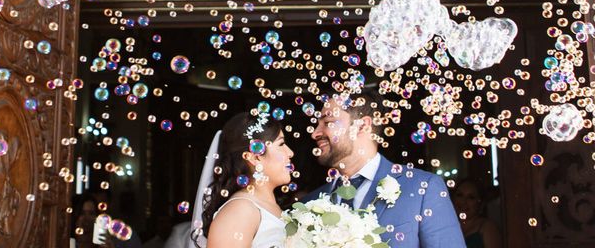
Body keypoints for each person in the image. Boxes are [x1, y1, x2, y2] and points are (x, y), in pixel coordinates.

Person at [303, 92, 466, 248]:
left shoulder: (423, 189)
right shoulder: (309, 204)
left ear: (362, 126)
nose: (315, 133)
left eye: (327, 122)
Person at [190, 112, 294, 248]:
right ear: (255, 157)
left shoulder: (272, 208)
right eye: (281, 144)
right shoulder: (241, 211)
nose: (290, 153)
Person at [453, 179, 501, 248]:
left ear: (480, 203)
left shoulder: (488, 228)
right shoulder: (447, 225)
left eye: (471, 197)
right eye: (460, 195)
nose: (463, 202)